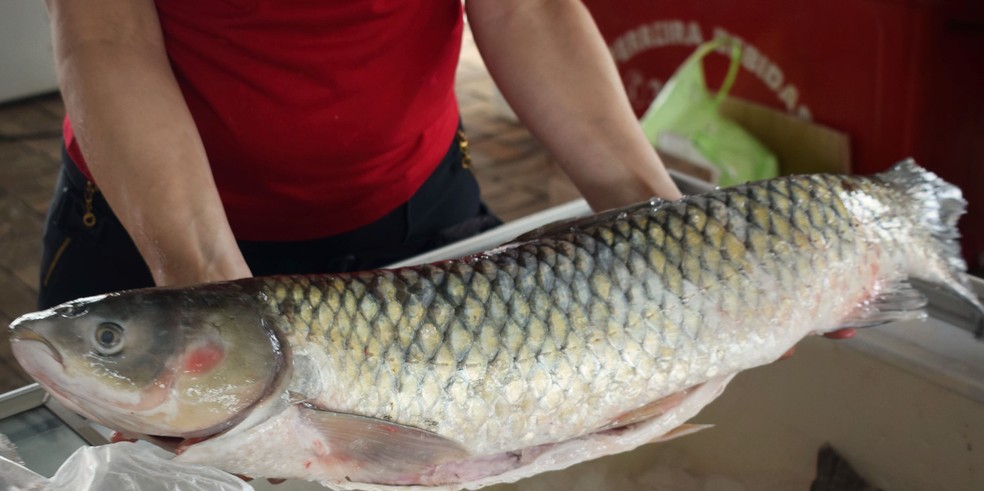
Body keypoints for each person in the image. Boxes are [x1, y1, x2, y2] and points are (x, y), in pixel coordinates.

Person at [38, 0, 682, 310]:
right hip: (151, 236)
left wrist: (663, 223)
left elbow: (526, 8)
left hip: (415, 212)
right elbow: (107, 37)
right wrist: (210, 286)